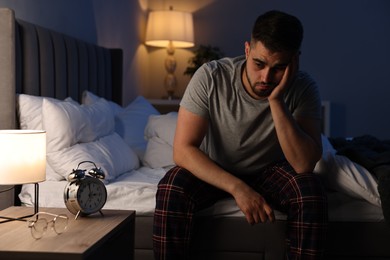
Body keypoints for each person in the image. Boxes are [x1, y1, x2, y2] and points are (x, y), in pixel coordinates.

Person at [153, 10, 328, 260]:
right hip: (217, 167)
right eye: (259, 63)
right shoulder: (211, 76)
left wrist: (276, 99)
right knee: (171, 187)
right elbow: (183, 150)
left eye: (279, 68)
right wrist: (239, 188)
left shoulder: (304, 87)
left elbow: (303, 164)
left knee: (311, 191)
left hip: (271, 169)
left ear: (294, 62)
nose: (266, 77)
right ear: (247, 50)